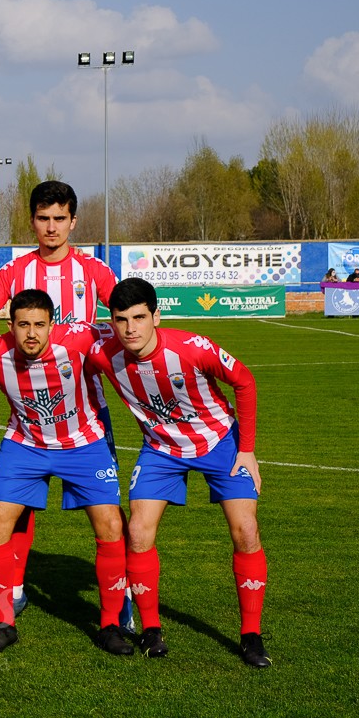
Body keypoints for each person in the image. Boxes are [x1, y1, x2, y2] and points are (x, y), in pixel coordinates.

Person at [0, 180, 127, 628]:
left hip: (86, 409)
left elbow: (125, 310)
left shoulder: (93, 270)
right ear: (32, 220)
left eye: (59, 219)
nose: (51, 227)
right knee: (16, 507)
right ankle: (15, 589)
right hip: (28, 411)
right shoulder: (15, 273)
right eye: (43, 219)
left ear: (73, 221)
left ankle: (120, 601)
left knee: (107, 513)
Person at [86, 277, 270, 668]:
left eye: (139, 317)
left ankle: (251, 634)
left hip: (220, 442)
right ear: (111, 320)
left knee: (247, 532)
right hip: (162, 450)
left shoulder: (191, 347)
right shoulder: (103, 353)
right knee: (137, 531)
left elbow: (245, 380)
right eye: (121, 319)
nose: (130, 328)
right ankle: (151, 630)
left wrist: (248, 449)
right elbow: (58, 337)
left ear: (156, 315)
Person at [0, 289, 131, 655]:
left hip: (84, 445)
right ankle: (3, 622)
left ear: (51, 325)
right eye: (23, 325)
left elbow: (130, 332)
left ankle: (110, 624)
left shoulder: (79, 337)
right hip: (25, 446)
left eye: (39, 325)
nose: (31, 334)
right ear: (10, 326)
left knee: (111, 526)